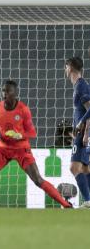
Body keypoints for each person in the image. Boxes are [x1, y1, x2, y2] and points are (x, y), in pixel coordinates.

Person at [0, 80, 71, 208]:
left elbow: (32, 132)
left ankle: (66, 204)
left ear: (15, 93)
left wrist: (20, 135)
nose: (4, 94)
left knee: (38, 180)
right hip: (2, 149)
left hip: (21, 150)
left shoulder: (23, 109)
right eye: (3, 90)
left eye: (8, 91)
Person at [64, 57, 90, 208]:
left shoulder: (81, 86)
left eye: (66, 66)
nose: (65, 70)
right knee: (85, 168)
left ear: (71, 67)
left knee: (74, 167)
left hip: (84, 134)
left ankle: (87, 201)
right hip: (80, 133)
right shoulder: (79, 86)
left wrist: (85, 132)